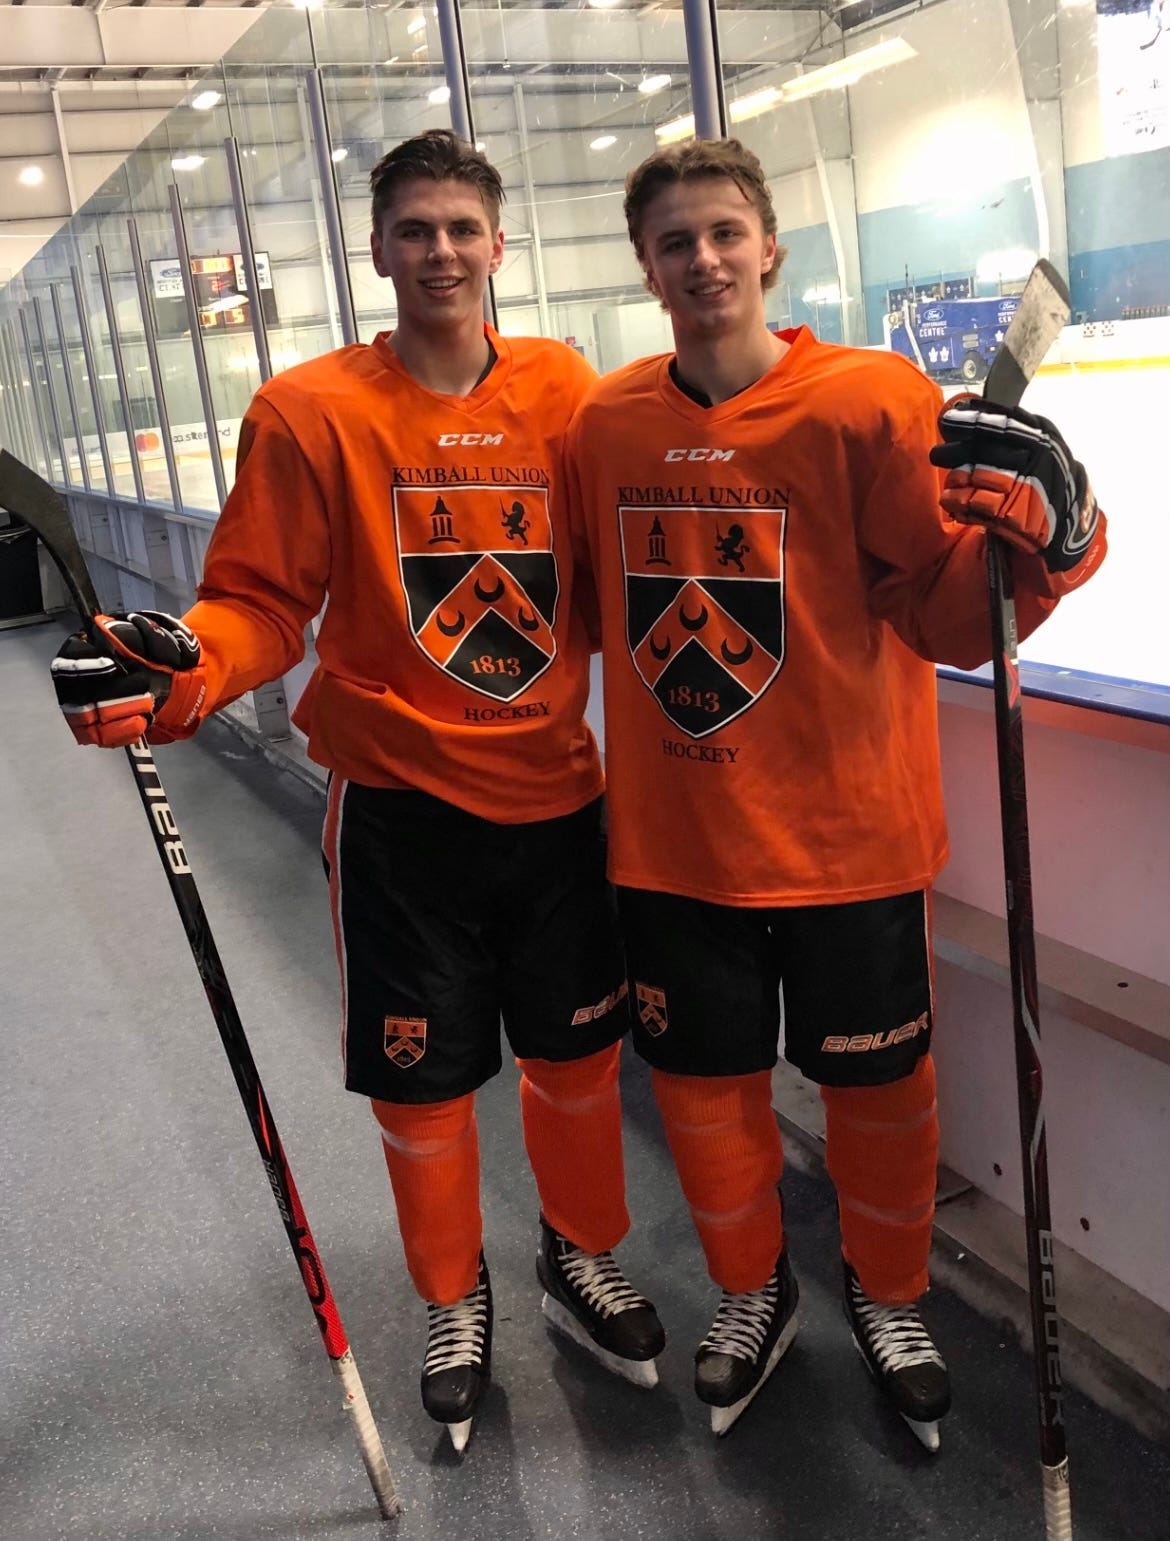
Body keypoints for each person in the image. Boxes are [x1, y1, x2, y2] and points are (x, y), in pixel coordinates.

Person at [49, 129, 664, 1452]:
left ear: (500, 246)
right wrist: (186, 664)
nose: (441, 251)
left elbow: (634, 562)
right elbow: (258, 603)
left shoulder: (570, 393)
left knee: (574, 1057)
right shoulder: (309, 411)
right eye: (414, 230)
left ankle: (579, 1253)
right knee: (421, 1083)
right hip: (397, 810)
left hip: (556, 797)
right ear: (376, 250)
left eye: (462, 228)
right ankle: (451, 1296)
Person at [564, 137, 1105, 1447]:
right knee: (704, 1091)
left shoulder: (870, 402)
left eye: (723, 233)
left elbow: (950, 612)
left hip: (847, 839)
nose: (703, 259)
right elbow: (570, 608)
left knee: (880, 1095)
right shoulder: (605, 425)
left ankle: (891, 1292)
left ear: (769, 247)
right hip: (675, 844)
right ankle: (753, 1291)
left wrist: (1054, 540)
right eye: (675, 242)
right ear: (644, 269)